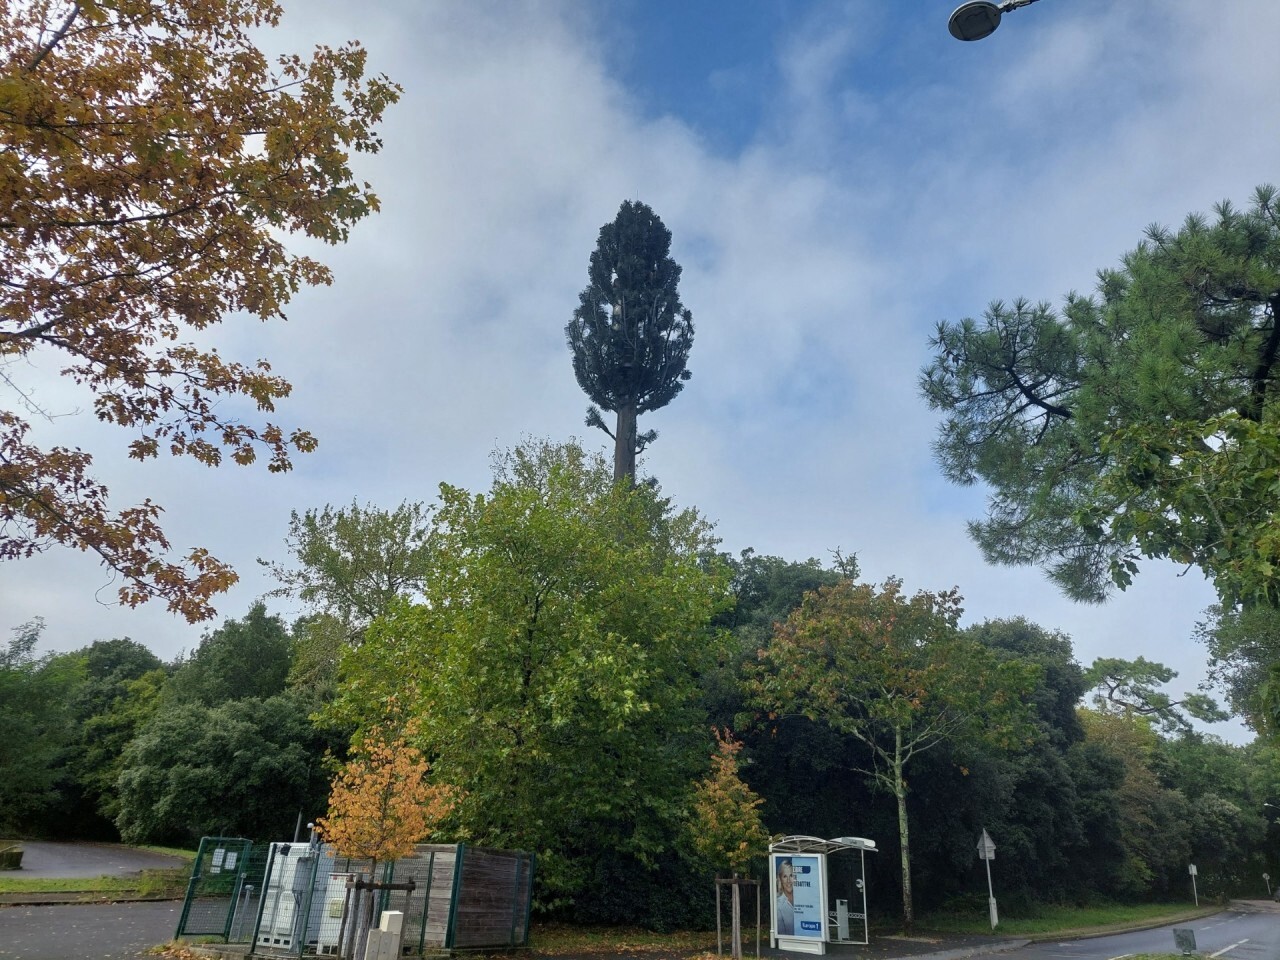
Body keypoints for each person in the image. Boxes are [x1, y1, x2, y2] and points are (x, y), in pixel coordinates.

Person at [775, 858, 795, 935]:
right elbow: (782, 934)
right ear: (780, 879)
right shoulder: (778, 905)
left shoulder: (803, 898)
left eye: (791, 875)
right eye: (785, 876)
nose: (788, 880)